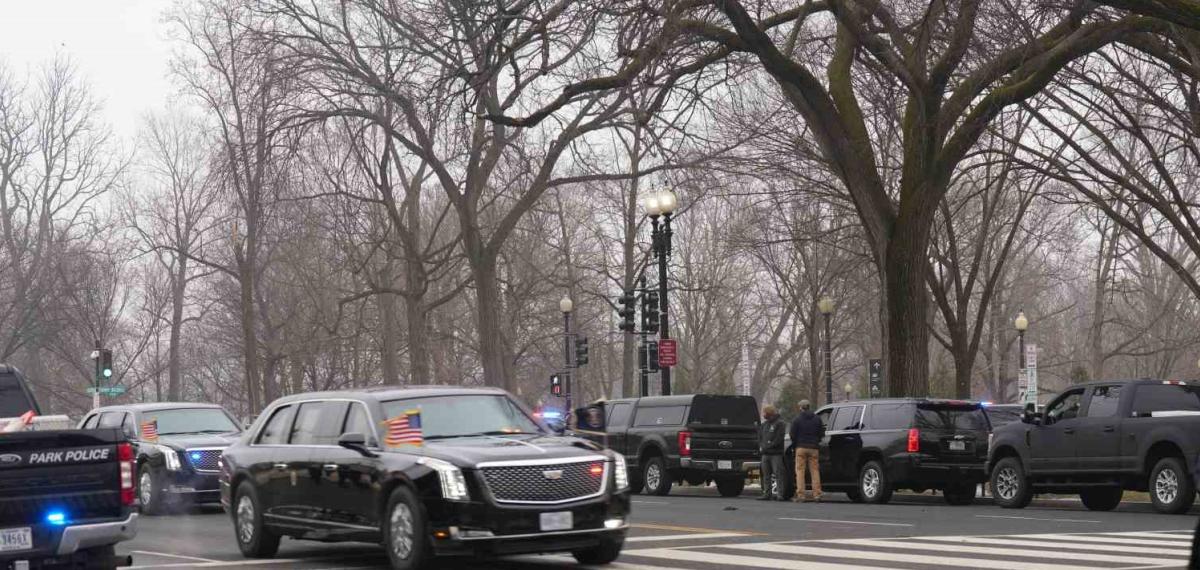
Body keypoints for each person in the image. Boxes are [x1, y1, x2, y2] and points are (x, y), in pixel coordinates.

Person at [789, 399, 824, 502]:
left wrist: (796, 444)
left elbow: (792, 434)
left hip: (801, 447)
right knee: (815, 471)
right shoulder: (817, 419)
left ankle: (801, 495)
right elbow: (821, 433)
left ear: (801, 408)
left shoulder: (797, 419)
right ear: (809, 407)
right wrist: (816, 441)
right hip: (814, 447)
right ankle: (817, 494)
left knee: (800, 471)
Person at [758, 405, 786, 500]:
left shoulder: (780, 424)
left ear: (769, 413)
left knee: (778, 474)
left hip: (776, 454)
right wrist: (762, 446)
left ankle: (780, 494)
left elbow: (778, 439)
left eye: (765, 413)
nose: (763, 415)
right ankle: (767, 493)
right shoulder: (764, 425)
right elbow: (760, 437)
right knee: (766, 475)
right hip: (765, 454)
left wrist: (768, 446)